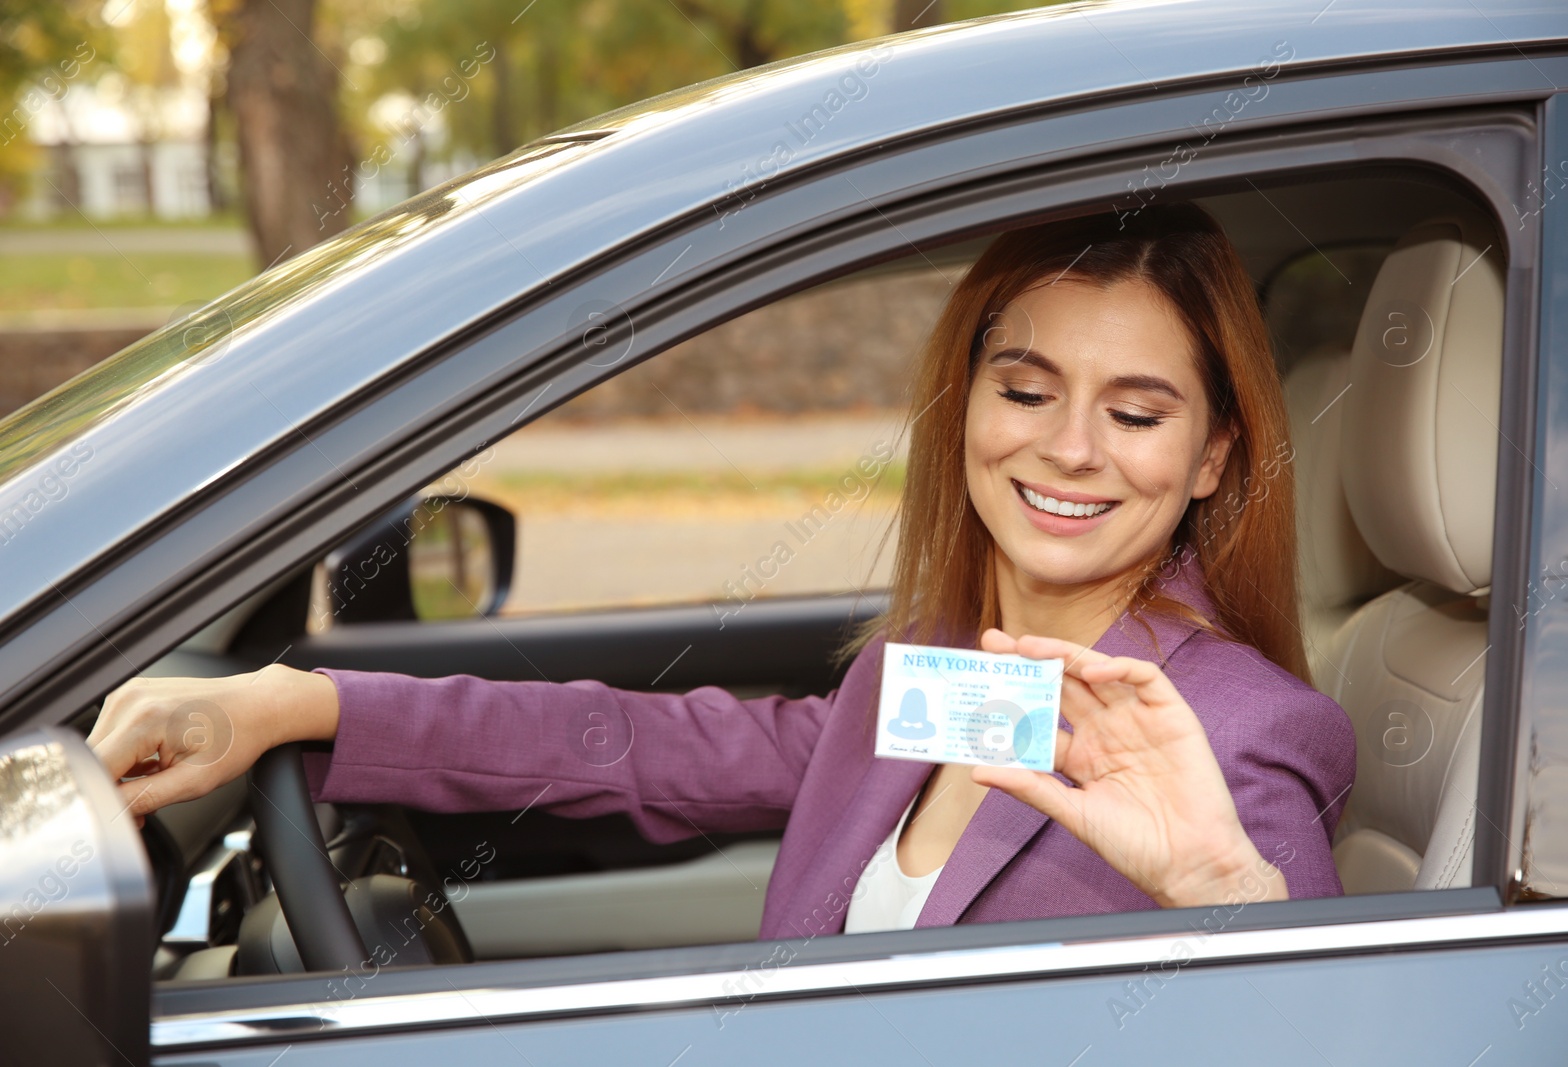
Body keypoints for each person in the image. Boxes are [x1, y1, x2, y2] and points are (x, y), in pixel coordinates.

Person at [90, 203, 1356, 941]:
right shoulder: (946, 677)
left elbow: (1339, 1026)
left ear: (1211, 455)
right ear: (965, 402)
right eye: (1025, 388)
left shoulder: (1235, 735)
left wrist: (1231, 899)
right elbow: (638, 746)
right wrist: (297, 703)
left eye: (1136, 414)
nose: (1067, 446)